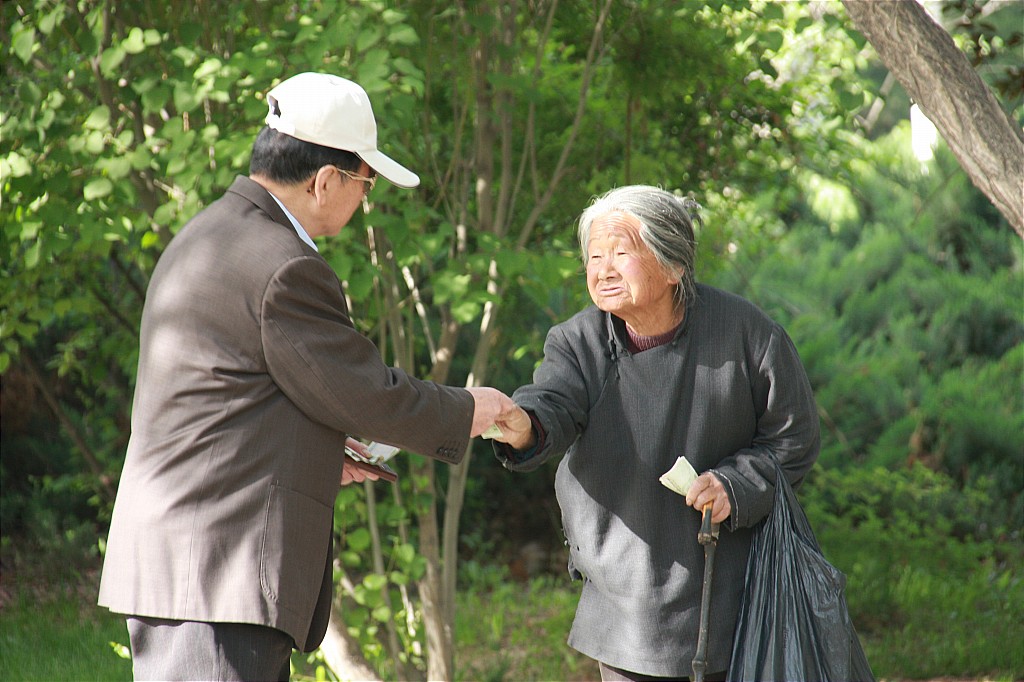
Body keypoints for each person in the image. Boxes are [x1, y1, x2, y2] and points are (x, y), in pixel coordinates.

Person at [97, 72, 517, 681]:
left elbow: (236, 397)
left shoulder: (206, 236)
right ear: (325, 180)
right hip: (218, 575)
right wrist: (470, 409)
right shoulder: (284, 265)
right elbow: (362, 394)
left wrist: (321, 450)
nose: (364, 199)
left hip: (185, 566)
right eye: (365, 182)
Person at [491, 185, 820, 681]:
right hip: (628, 597)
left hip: (734, 592)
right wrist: (523, 425)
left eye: (621, 254)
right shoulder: (577, 342)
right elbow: (552, 402)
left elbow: (792, 438)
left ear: (673, 267)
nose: (602, 270)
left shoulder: (748, 335)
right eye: (594, 256)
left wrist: (736, 483)